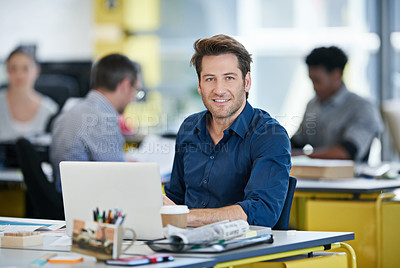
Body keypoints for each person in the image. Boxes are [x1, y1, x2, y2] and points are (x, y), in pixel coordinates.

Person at [164, 34, 291, 228]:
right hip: (185, 245)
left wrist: (186, 217)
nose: (219, 89)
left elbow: (262, 211)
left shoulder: (270, 135)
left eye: (229, 78)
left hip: (242, 251)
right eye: (210, 79)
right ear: (199, 85)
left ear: (246, 82)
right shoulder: (189, 128)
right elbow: (175, 199)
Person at [50, 54, 141, 192]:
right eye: (136, 91)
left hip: (67, 198)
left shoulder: (69, 113)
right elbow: (119, 179)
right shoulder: (102, 120)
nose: (133, 99)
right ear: (125, 85)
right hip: (89, 205)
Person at [291, 46, 384, 161]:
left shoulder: (362, 107)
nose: (314, 87)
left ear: (336, 74)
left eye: (318, 81)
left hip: (351, 176)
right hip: (315, 176)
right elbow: (297, 141)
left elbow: (346, 152)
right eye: (311, 80)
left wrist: (302, 156)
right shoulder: (313, 105)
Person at [0, 46, 58, 142]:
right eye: (13, 69)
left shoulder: (50, 110)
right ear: (6, 71)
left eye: (25, 69)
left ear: (36, 71)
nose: (19, 75)